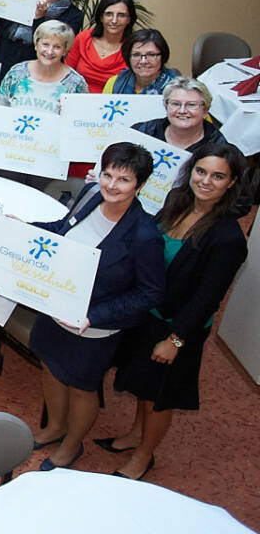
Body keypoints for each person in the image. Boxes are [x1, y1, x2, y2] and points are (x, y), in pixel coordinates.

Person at [107, 144, 249, 480]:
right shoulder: (176, 202)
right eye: (201, 171)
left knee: (159, 396)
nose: (205, 181)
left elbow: (207, 298)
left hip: (177, 325)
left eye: (218, 176)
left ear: (231, 183)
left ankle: (144, 455)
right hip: (147, 312)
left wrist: (176, 339)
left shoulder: (228, 237)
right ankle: (135, 435)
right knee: (141, 382)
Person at [29, 142, 164, 472]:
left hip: (94, 326)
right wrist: (23, 228)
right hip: (55, 305)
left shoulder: (146, 236)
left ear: (140, 186)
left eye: (123, 180)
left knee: (81, 387)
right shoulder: (90, 194)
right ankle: (55, 427)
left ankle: (72, 447)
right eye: (107, 174)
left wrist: (93, 317)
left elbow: (148, 294)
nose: (111, 186)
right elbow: (61, 233)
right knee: (50, 366)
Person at [0, 20, 88, 115]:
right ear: (36, 45)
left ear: (65, 51)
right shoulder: (17, 73)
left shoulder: (76, 83)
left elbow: (79, 121)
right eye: (45, 44)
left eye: (57, 47)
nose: (49, 51)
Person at [66, 0, 137, 93]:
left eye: (121, 15)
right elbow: (66, 73)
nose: (114, 21)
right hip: (78, 99)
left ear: (129, 19)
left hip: (114, 105)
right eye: (109, 14)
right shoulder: (83, 38)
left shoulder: (134, 48)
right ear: (101, 17)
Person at [131, 77, 227, 150]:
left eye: (191, 105)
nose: (182, 111)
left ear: (205, 111)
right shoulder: (142, 132)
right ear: (166, 106)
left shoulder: (219, 146)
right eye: (176, 104)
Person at [102, 28, 180, 95]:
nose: (143, 61)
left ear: (162, 56)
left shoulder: (178, 87)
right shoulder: (115, 83)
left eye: (151, 55)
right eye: (136, 55)